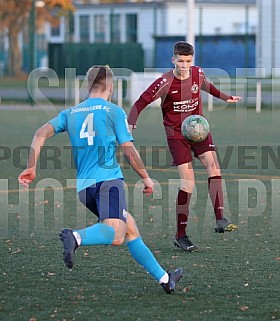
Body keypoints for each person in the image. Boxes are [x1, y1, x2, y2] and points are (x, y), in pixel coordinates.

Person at [18, 65, 182, 294]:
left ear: (87, 85)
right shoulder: (113, 111)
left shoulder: (71, 112)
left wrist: (31, 167)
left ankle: (165, 278)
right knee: (115, 233)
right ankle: (74, 237)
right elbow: (128, 149)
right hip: (109, 183)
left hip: (85, 188)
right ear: (111, 87)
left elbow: (40, 133)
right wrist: (146, 177)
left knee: (129, 230)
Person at [128, 41, 241, 253]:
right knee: (188, 183)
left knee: (214, 168)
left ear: (192, 60)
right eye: (180, 61)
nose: (184, 65)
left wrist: (226, 97)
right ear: (173, 60)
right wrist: (131, 122)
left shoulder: (198, 73)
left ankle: (220, 219)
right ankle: (180, 235)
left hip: (198, 129)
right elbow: (140, 102)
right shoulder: (164, 82)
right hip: (177, 136)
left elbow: (208, 87)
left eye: (188, 61)